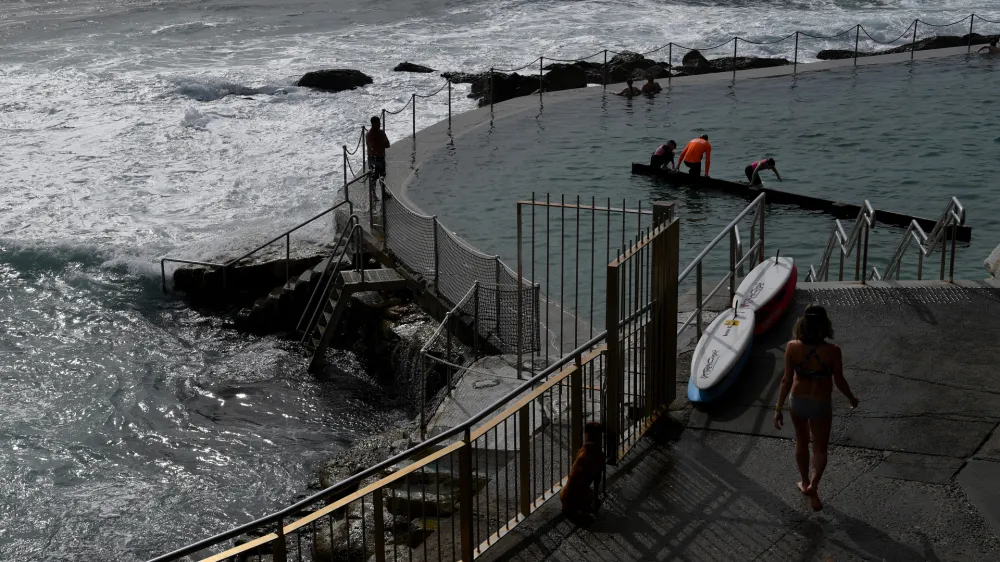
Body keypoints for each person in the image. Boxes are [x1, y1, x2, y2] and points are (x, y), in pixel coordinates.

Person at [774, 304, 859, 512]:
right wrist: (851, 398)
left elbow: (786, 380)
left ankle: (804, 482)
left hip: (798, 401)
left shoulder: (792, 347)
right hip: (820, 403)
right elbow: (839, 381)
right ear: (825, 326)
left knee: (802, 441)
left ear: (802, 324)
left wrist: (778, 408)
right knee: (820, 448)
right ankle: (814, 484)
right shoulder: (833, 351)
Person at [560, 422, 605, 518]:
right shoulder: (598, 455)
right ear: (599, 435)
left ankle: (576, 508)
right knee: (590, 494)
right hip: (579, 500)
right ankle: (584, 508)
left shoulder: (582, 451)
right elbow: (597, 478)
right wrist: (595, 497)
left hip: (564, 497)